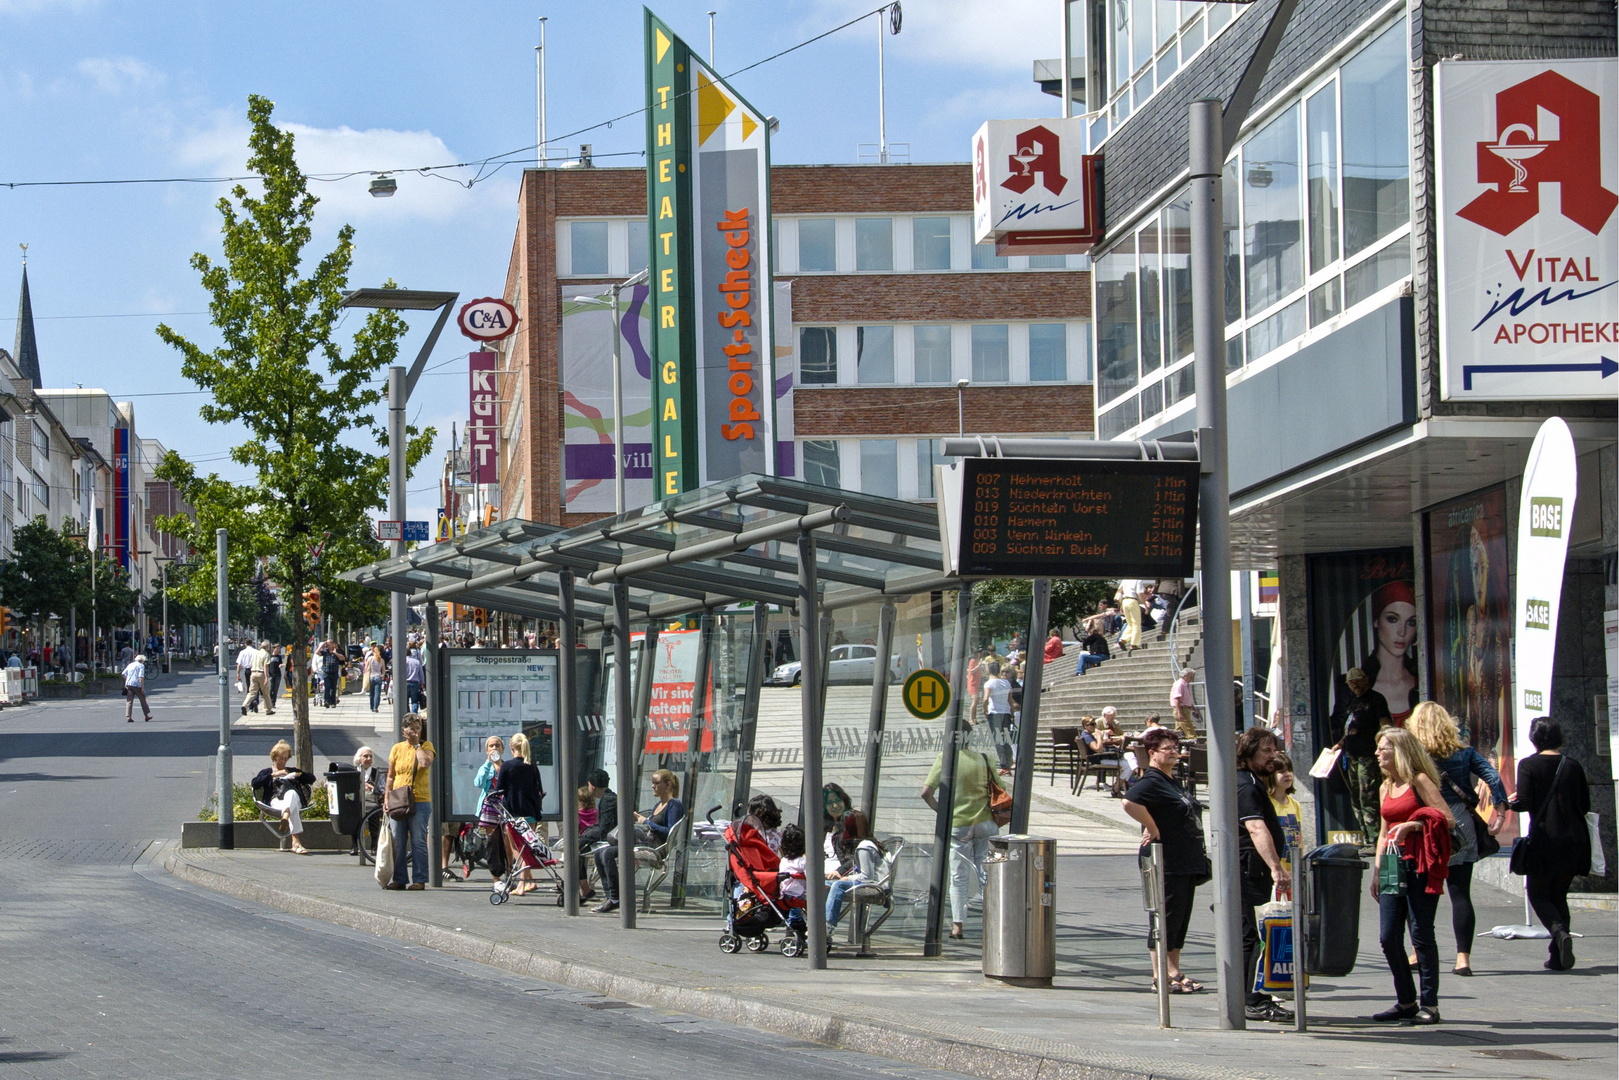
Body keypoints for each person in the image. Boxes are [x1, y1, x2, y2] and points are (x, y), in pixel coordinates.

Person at [1406, 701, 1508, 976]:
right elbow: (1492, 776)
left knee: (1421, 893)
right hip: (1460, 822)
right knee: (1460, 893)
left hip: (1426, 823)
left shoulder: (1414, 754)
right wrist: (1499, 810)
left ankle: (1417, 952)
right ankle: (1463, 959)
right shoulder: (1464, 752)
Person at [1372, 727, 1454, 1024]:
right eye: (1378, 749)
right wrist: (1377, 871)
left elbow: (1447, 818)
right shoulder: (1385, 787)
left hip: (1420, 864)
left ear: (1400, 751)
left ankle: (1429, 1004)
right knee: (1388, 936)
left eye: (1384, 748)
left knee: (1421, 932)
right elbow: (1383, 833)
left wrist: (1413, 825)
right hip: (1393, 864)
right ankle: (1405, 1000)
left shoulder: (1419, 781)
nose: (1378, 753)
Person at [1122, 728, 1210, 993]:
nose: (1174, 752)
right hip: (1166, 859)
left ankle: (1174, 969)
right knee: (1164, 917)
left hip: (1185, 860)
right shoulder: (1152, 780)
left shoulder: (1171, 780)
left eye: (1175, 747)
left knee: (1180, 919)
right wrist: (1152, 826)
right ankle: (1160, 975)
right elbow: (1129, 802)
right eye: (1167, 748)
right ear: (1152, 754)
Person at [1506, 716, 1592, 972]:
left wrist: (1512, 802)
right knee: (1559, 896)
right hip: (1575, 840)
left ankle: (1558, 932)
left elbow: (1526, 802)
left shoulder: (1529, 765)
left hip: (1545, 839)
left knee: (1538, 893)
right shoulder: (1573, 766)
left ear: (1535, 739)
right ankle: (1558, 956)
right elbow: (1585, 805)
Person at [1235, 726, 1293, 1023]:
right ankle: (1252, 999)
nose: (1274, 756)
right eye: (1267, 751)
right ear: (1249, 753)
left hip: (1251, 867)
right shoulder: (1246, 785)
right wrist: (1275, 867)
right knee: (1255, 935)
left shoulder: (1253, 781)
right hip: (1251, 869)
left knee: (1252, 935)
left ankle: (1251, 996)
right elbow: (1255, 827)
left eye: (1274, 750)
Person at [921, 742, 996, 941]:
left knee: (958, 876)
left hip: (959, 825)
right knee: (986, 873)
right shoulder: (983, 758)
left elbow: (926, 793)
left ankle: (957, 926)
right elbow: (1001, 787)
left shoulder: (945, 758)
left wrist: (943, 813)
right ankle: (993, 922)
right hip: (985, 822)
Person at [594, 769, 683, 913]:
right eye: (652, 783)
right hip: (645, 843)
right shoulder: (658, 805)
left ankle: (616, 898)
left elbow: (669, 832)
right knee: (599, 853)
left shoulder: (674, 805)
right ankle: (610, 895)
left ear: (667, 785)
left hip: (655, 850)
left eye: (656, 783)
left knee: (608, 854)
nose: (653, 786)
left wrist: (646, 821)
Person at [1332, 667, 1393, 848]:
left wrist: (1385, 745)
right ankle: (1367, 839)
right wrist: (1339, 745)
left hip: (1368, 755)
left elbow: (1385, 725)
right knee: (1356, 798)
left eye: (1358, 680)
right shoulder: (1352, 701)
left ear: (1366, 679)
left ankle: (1375, 840)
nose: (1355, 685)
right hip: (1352, 756)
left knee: (1369, 796)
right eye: (1351, 682)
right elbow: (1350, 729)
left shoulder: (1376, 699)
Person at [384, 714, 435, 890]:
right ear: (403, 730)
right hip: (398, 799)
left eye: (418, 728)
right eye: (412, 728)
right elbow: (390, 776)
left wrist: (416, 745)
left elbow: (425, 763)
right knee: (397, 839)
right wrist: (386, 798)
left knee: (418, 840)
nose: (415, 731)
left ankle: (420, 879)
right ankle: (399, 879)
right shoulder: (397, 749)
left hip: (419, 799)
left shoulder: (426, 746)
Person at [1362, 580, 1420, 725]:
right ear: (1376, 621)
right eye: (1392, 619)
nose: (1402, 632)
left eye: (1411, 622)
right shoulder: (1359, 684)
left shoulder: (1421, 681)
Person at [497, 732, 545, 895]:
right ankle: (530, 881)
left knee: (517, 846)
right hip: (530, 811)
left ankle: (521, 885)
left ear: (511, 747)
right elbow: (538, 789)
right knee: (526, 845)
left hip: (513, 812)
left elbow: (499, 789)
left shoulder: (507, 766)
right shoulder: (531, 765)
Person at [825, 811, 884, 935]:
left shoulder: (864, 847)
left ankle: (827, 926)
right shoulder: (865, 843)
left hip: (873, 886)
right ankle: (816, 924)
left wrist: (847, 878)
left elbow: (866, 876)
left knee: (838, 885)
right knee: (825, 885)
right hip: (868, 883)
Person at [251, 740, 315, 856]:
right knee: (292, 806)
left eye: (286, 758)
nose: (283, 761)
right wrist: (273, 776)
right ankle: (295, 843)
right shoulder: (267, 772)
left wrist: (297, 775)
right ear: (274, 757)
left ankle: (285, 816)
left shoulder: (291, 770)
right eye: (281, 758)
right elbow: (255, 783)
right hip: (276, 801)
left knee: (291, 794)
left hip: (292, 800)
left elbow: (311, 778)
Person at [577, 768, 617, 903]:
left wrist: (585, 837)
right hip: (610, 837)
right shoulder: (609, 798)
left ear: (592, 786)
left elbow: (604, 830)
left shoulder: (608, 801)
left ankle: (586, 888)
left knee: (577, 849)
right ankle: (584, 888)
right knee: (579, 848)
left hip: (611, 841)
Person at [1268, 752, 1302, 892]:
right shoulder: (1268, 803)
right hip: (1276, 871)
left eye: (1290, 770)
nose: (1287, 774)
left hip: (1293, 870)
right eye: (1281, 771)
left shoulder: (1295, 804)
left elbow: (1299, 839)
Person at [981, 662, 1015, 774]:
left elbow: (986, 698)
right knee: (1006, 739)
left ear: (989, 671)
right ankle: (1008, 765)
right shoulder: (1006, 683)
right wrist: (1012, 713)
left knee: (998, 739)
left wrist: (984, 710)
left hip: (995, 712)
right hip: (1006, 713)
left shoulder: (989, 683)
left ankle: (1004, 765)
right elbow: (1010, 700)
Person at [1116, 579, 1144, 653]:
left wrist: (1120, 605)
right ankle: (1134, 644)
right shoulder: (1138, 580)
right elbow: (1139, 593)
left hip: (1124, 601)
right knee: (1136, 623)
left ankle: (1123, 639)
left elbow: (1120, 591)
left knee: (1130, 623)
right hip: (1132, 600)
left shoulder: (1125, 579)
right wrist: (1144, 603)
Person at [1169, 668, 1198, 739]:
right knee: (1189, 730)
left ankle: (1176, 744)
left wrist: (1193, 708)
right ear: (1184, 676)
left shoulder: (1185, 684)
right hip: (1181, 709)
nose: (1191, 679)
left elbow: (1186, 699)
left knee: (1179, 731)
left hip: (1185, 708)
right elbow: (1177, 699)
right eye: (1190, 677)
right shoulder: (1180, 684)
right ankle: (1195, 743)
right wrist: (1180, 712)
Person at [123, 653, 152, 722]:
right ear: (142, 660)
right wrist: (142, 688)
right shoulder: (141, 666)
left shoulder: (130, 664)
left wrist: (126, 681)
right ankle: (146, 716)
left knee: (129, 701)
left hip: (129, 684)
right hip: (136, 684)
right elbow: (141, 677)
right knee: (142, 700)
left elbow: (123, 673)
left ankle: (128, 716)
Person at [474, 736, 505, 800]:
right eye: (491, 746)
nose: (494, 748)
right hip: (487, 807)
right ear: (487, 750)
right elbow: (479, 784)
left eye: (497, 745)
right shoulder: (485, 768)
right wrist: (488, 762)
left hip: (503, 807)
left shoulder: (507, 767)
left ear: (502, 749)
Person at [364, 644, 386, 712]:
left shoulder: (370, 659)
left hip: (371, 677)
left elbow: (366, 668)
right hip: (378, 677)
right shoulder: (381, 660)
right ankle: (376, 707)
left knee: (371, 693)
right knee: (377, 693)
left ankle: (371, 706)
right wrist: (383, 676)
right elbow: (383, 670)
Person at [403, 648, 425, 713]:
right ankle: (414, 714)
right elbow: (421, 673)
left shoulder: (402, 662)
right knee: (415, 701)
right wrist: (422, 682)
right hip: (415, 683)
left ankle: (407, 714)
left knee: (405, 701)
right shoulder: (416, 662)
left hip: (405, 683)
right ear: (410, 653)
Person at [321, 641, 341, 708]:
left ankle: (333, 702)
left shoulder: (337, 651)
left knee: (333, 688)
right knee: (327, 687)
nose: (328, 645)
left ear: (332, 644)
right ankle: (326, 701)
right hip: (326, 672)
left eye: (329, 643)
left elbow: (342, 658)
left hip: (334, 672)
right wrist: (322, 645)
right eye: (327, 643)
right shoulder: (325, 651)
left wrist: (335, 653)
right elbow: (317, 653)